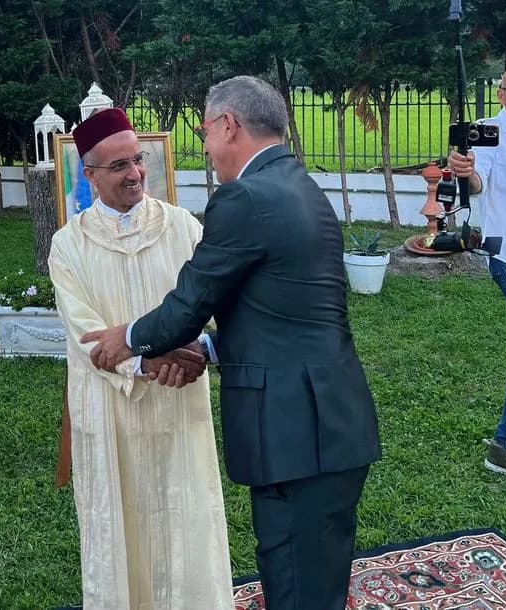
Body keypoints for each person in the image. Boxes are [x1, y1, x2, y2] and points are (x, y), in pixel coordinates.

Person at [81, 76, 382, 610]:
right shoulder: (300, 184)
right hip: (333, 417)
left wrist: (124, 339)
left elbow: (186, 306)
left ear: (228, 125)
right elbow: (284, 312)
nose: (205, 146)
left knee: (294, 584)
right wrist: (211, 350)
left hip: (295, 432)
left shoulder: (243, 196)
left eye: (204, 131)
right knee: (318, 576)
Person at [48, 107, 234, 609]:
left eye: (138, 160)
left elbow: (220, 309)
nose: (134, 174)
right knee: (118, 530)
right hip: (108, 411)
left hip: (180, 403)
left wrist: (194, 353)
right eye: (119, 166)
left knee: (186, 519)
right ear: (89, 175)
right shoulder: (69, 245)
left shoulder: (182, 229)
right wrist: (148, 363)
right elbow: (86, 334)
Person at [448, 63, 506, 485]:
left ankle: (504, 449)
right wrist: (465, 173)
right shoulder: (485, 131)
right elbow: (475, 181)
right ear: (501, 94)